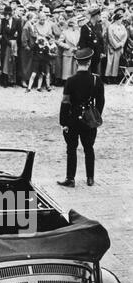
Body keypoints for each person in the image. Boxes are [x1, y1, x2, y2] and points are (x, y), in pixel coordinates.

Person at [57, 48, 105, 188]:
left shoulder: (71, 81)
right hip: (89, 120)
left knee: (71, 149)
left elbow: (65, 103)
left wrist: (63, 122)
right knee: (89, 148)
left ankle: (70, 179)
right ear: (89, 62)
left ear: (77, 63)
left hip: (73, 119)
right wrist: (96, 115)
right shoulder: (96, 79)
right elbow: (101, 101)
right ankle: (90, 178)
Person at [78, 6, 104, 74]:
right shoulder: (85, 27)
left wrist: (102, 51)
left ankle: (93, 83)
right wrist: (84, 53)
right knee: (88, 70)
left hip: (97, 51)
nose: (100, 16)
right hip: (89, 52)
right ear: (95, 15)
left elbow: (101, 39)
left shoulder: (99, 26)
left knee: (95, 70)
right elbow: (82, 42)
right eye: (99, 15)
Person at [105, 11, 128, 82]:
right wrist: (116, 45)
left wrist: (121, 44)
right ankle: (108, 77)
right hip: (112, 47)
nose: (121, 21)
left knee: (116, 63)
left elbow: (125, 36)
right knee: (110, 62)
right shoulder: (111, 27)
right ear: (116, 19)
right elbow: (110, 37)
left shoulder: (122, 27)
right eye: (120, 19)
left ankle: (115, 77)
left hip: (120, 47)